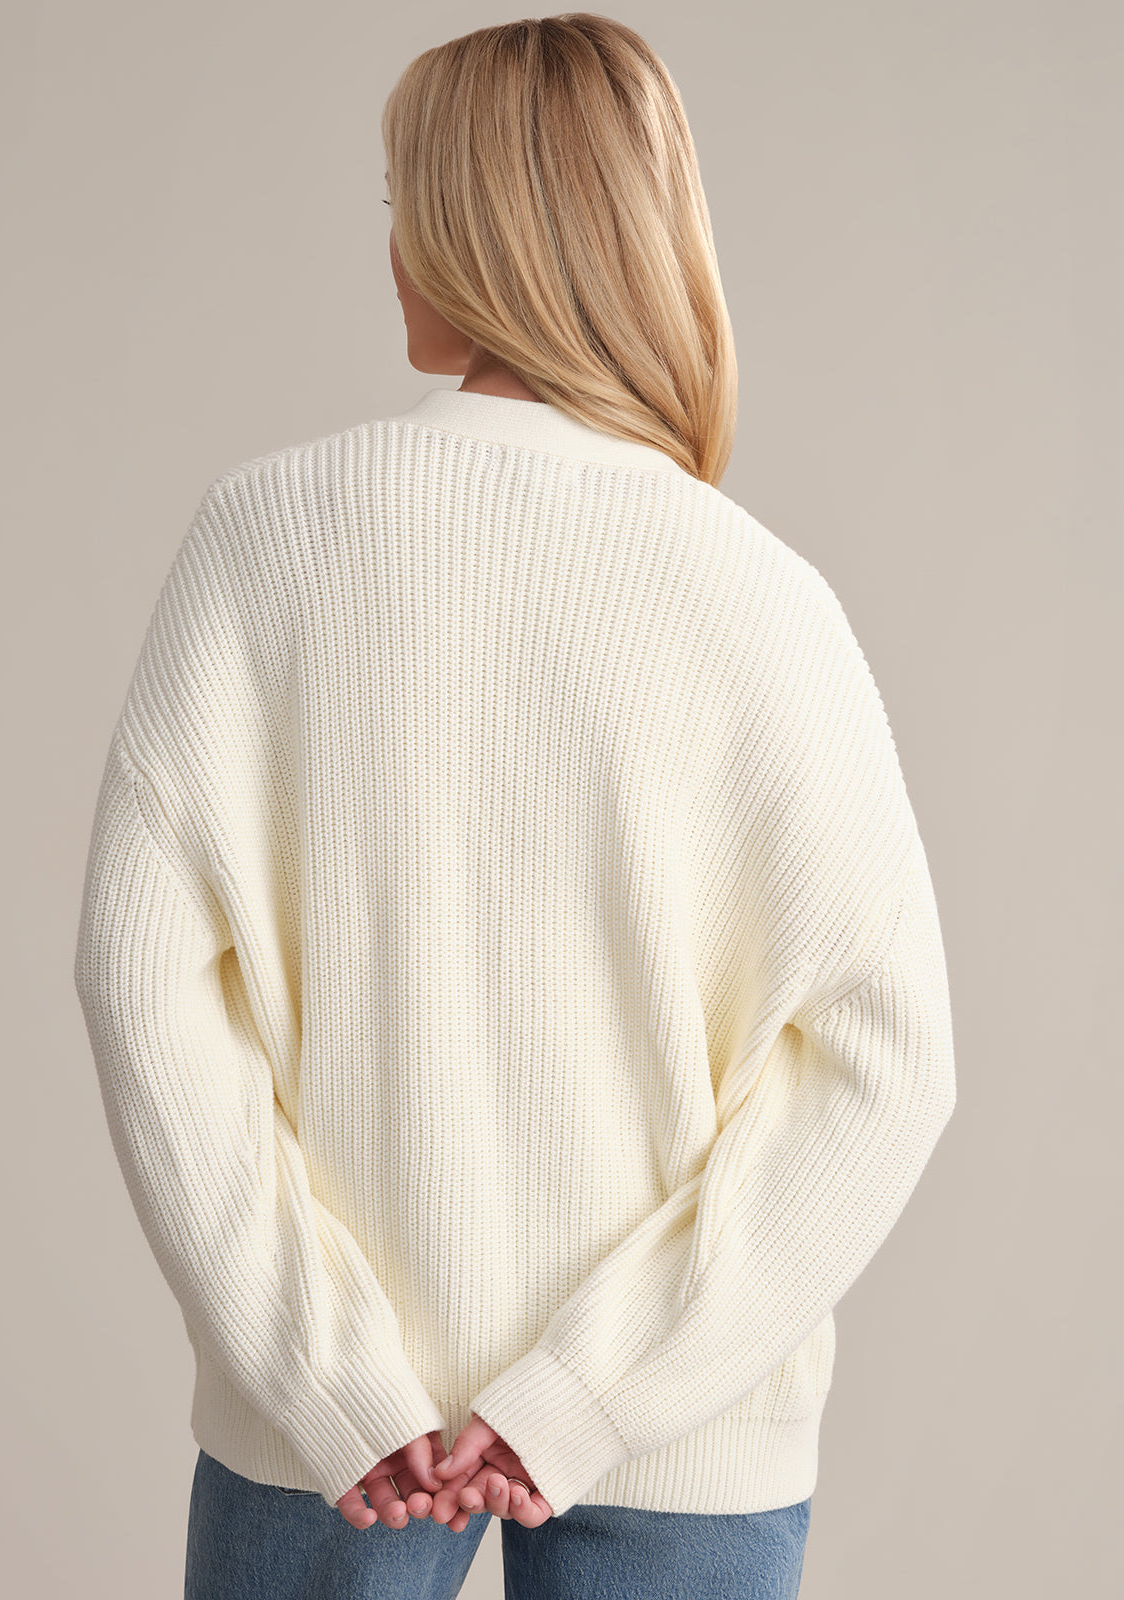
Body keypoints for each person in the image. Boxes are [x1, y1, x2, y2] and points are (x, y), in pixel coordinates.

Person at [73, 13, 956, 1600]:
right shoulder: (761, 599)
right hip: (688, 1428)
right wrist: (600, 1393)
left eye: (405, 199)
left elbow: (140, 987)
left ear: (476, 235)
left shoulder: (269, 541)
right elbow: (886, 1067)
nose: (391, 245)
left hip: (327, 1439)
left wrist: (329, 1367)